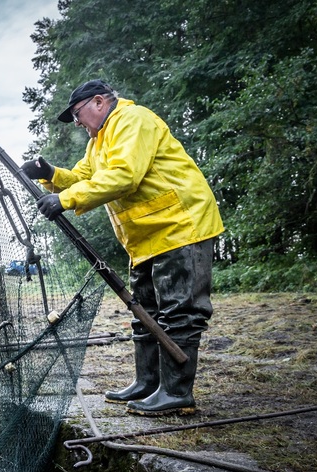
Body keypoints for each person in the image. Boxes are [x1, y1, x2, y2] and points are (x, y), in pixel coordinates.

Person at [22, 79, 224, 417]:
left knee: (180, 313)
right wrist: (51, 174)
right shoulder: (98, 142)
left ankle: (176, 392)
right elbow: (84, 178)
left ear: (99, 102)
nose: (77, 122)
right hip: (146, 239)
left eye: (77, 114)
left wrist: (65, 200)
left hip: (180, 227)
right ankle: (147, 383)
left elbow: (124, 175)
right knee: (144, 314)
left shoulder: (133, 120)